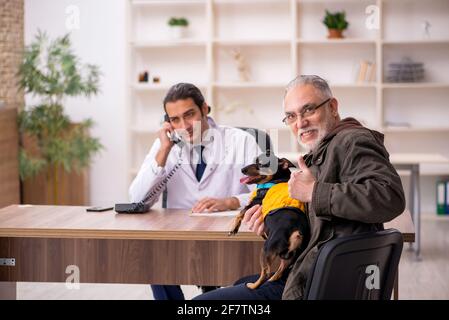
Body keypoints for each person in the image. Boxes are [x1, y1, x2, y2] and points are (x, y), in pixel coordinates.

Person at [194, 75, 406, 300]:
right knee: (240, 283)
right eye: (291, 116)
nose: (300, 123)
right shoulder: (323, 150)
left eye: (308, 110)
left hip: (325, 283)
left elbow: (389, 196)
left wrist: (313, 192)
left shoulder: (352, 141)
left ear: (332, 107)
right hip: (311, 273)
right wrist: (275, 219)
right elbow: (322, 225)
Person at [129, 82, 261, 300]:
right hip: (180, 240)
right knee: (152, 255)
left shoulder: (240, 140)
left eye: (189, 115)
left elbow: (268, 192)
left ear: (205, 109)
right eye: (175, 120)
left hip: (228, 239)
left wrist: (231, 201)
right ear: (167, 123)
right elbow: (136, 199)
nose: (185, 126)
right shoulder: (165, 146)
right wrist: (163, 151)